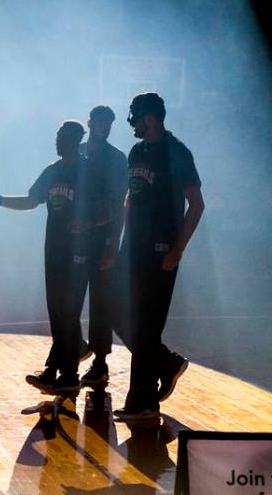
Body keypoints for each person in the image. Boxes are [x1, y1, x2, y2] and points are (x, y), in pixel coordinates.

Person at [0, 121, 97, 395]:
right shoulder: (52, 172)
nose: (57, 141)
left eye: (62, 137)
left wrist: (88, 223)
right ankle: (59, 368)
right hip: (54, 249)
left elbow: (107, 210)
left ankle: (67, 374)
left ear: (75, 140)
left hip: (78, 252)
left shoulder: (88, 171)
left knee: (68, 312)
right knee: (57, 313)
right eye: (57, 136)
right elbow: (31, 201)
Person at [114, 93, 205, 420]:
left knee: (147, 325)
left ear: (150, 117)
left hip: (160, 250)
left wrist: (177, 249)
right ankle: (166, 362)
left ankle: (144, 403)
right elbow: (129, 198)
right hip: (133, 249)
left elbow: (196, 204)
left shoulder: (177, 152)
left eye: (136, 117)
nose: (132, 124)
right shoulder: (136, 152)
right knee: (118, 314)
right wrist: (120, 242)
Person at [78, 106, 128, 387]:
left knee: (100, 302)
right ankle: (74, 348)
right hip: (74, 239)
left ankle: (99, 362)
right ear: (90, 122)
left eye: (109, 123)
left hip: (101, 242)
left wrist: (111, 245)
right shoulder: (78, 153)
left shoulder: (116, 158)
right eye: (100, 122)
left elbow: (118, 207)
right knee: (67, 299)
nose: (104, 127)